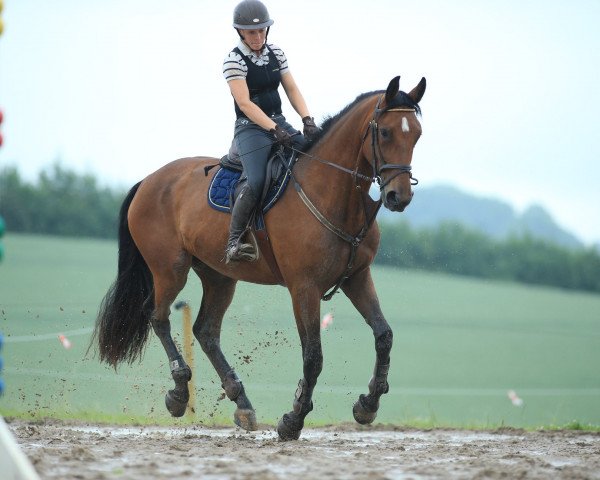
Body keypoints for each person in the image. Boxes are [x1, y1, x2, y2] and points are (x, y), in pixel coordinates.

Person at [222, 0, 319, 263]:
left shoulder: (276, 53)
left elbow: (291, 88)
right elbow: (244, 103)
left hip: (279, 123)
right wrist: (273, 128)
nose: (258, 36)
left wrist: (307, 119)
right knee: (255, 181)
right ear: (240, 32)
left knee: (314, 157)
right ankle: (233, 241)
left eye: (262, 30)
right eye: (252, 32)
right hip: (250, 129)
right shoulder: (233, 60)